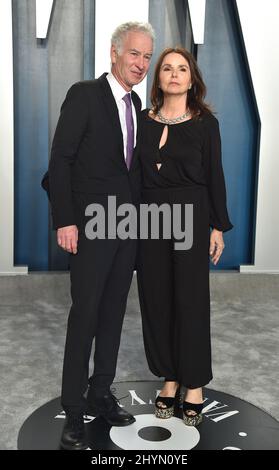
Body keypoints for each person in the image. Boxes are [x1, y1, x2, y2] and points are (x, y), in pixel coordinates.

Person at [47, 22, 154, 450]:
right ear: (114, 54)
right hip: (90, 228)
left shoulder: (138, 105)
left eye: (147, 57)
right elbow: (61, 160)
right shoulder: (85, 95)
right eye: (134, 54)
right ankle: (73, 410)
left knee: (112, 317)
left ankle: (100, 392)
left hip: (126, 229)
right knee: (85, 317)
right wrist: (65, 220)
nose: (142, 64)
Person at [137, 47, 233, 426]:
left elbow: (215, 176)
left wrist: (217, 227)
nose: (174, 74)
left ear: (191, 79)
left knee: (190, 302)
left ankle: (194, 384)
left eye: (182, 68)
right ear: (158, 78)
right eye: (166, 68)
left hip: (191, 220)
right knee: (156, 301)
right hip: (149, 222)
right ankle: (170, 377)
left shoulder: (206, 124)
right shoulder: (142, 121)